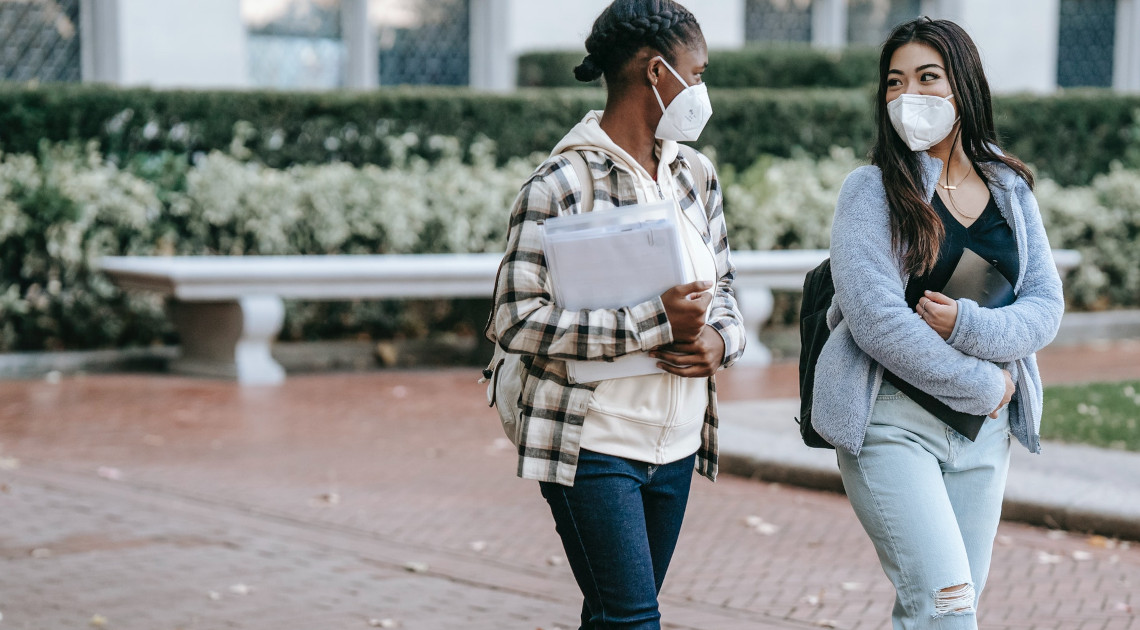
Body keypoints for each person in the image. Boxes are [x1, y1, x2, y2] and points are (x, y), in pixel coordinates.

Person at [485, 1, 746, 627]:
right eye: (698, 71)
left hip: (678, 443)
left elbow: (727, 284)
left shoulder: (695, 174)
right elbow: (516, 320)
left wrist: (718, 339)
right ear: (658, 73)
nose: (703, 89)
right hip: (592, 440)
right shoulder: (559, 185)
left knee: (611, 617)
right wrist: (656, 322)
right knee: (634, 620)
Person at [811, 17, 1064, 630]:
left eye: (928, 78)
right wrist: (984, 386)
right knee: (947, 609)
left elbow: (1044, 305)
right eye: (894, 83)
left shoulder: (1008, 186)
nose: (908, 97)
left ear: (964, 87)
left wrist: (967, 327)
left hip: (983, 435)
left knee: (938, 610)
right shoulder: (870, 191)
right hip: (891, 423)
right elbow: (876, 323)